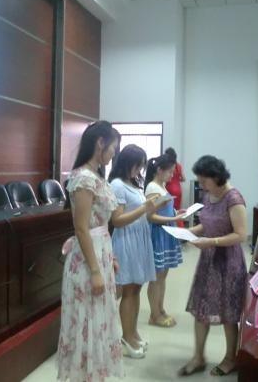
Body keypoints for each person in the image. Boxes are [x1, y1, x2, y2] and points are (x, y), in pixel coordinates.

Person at [57, 121, 129, 381]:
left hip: (100, 254)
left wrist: (111, 258)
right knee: (87, 320)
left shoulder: (96, 177)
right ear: (100, 143)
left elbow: (103, 225)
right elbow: (82, 228)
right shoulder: (85, 178)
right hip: (88, 261)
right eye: (113, 148)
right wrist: (96, 271)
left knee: (98, 319)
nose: (113, 154)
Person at [179, 155, 247, 377]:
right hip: (208, 260)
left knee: (228, 313)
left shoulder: (234, 198)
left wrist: (212, 241)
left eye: (204, 180)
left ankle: (230, 359)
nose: (201, 185)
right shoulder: (209, 195)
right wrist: (187, 232)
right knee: (201, 308)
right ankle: (198, 356)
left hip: (228, 261)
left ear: (217, 177)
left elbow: (240, 234)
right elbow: (205, 224)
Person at [108, 144, 164, 359]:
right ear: (127, 163)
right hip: (126, 240)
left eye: (141, 166)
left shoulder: (133, 183)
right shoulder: (117, 185)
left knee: (137, 288)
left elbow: (141, 211)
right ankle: (126, 337)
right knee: (129, 290)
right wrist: (143, 208)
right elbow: (117, 220)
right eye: (137, 165)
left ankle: (133, 333)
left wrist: (153, 207)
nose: (140, 170)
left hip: (140, 238)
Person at [145, 154, 186, 328]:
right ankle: (154, 315)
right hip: (158, 234)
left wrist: (175, 213)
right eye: (169, 172)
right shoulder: (152, 188)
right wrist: (171, 219)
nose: (172, 175)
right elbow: (151, 216)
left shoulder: (161, 186)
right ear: (159, 170)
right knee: (156, 277)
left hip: (166, 231)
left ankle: (160, 310)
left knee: (163, 276)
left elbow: (164, 210)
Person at [165, 147, 186, 228]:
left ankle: (172, 226)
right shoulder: (179, 165)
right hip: (178, 189)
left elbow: (165, 179)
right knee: (178, 209)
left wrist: (171, 180)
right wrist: (176, 180)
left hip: (169, 188)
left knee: (170, 210)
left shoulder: (168, 166)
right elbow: (183, 179)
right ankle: (180, 227)